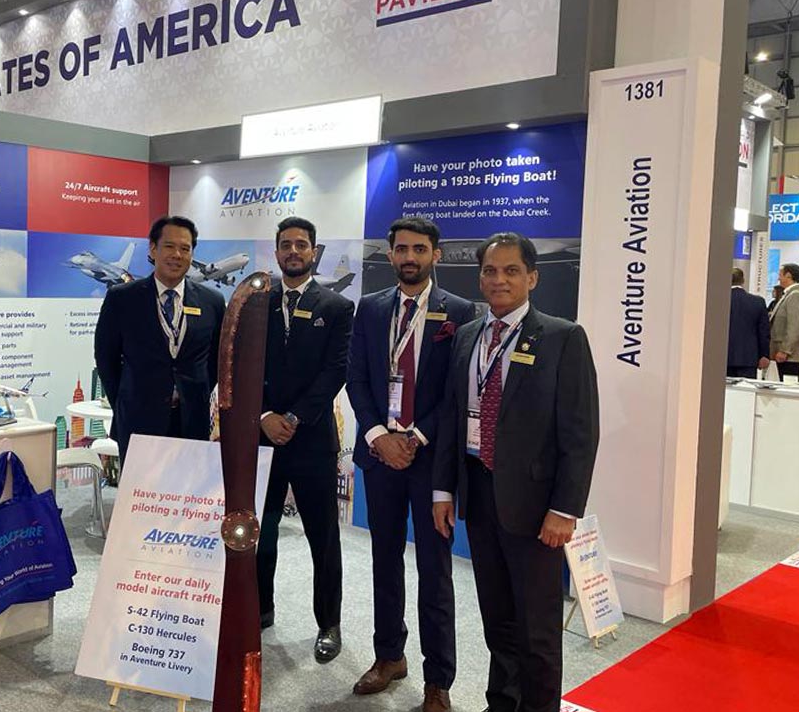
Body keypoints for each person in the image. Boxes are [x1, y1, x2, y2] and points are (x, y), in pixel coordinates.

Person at [432, 232, 599, 712]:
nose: (499, 279)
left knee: (538, 628)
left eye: (510, 271)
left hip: (535, 506)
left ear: (532, 277)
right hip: (480, 494)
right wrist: (444, 491)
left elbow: (580, 434)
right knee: (498, 618)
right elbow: (450, 417)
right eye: (490, 270)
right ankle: (502, 702)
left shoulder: (563, 337)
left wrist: (564, 509)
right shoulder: (467, 336)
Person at [346, 217, 475, 712]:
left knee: (435, 571)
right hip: (380, 459)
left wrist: (414, 438)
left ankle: (438, 680)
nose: (409, 257)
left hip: (429, 461)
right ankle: (389, 656)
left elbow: (455, 393)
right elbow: (357, 378)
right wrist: (380, 437)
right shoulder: (372, 309)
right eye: (401, 249)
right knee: (383, 561)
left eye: (419, 249)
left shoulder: (459, 313)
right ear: (390, 253)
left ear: (435, 255)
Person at [256, 217, 354, 663]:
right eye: (285, 245)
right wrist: (263, 417)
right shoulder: (257, 304)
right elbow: (242, 366)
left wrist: (292, 417)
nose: (293, 251)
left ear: (314, 251)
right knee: (261, 532)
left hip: (311, 438)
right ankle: (261, 609)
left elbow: (336, 370)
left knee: (323, 537)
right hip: (263, 438)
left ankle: (328, 623)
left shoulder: (335, 306)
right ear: (276, 253)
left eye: (301, 244)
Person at [94, 216, 225, 461]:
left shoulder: (212, 302)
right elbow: (106, 357)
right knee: (141, 496)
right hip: (138, 419)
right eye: (169, 246)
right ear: (153, 249)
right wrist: (125, 400)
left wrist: (195, 391)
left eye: (185, 248)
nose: (177, 254)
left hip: (191, 422)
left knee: (188, 494)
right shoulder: (122, 298)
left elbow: (215, 359)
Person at [769, 263, 799, 379]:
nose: (778, 278)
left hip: (791, 356)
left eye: (780, 275)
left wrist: (785, 350)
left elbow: (795, 326)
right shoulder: (789, 294)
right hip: (786, 355)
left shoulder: (796, 295)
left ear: (788, 275)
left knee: (788, 386)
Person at [727, 269, 769, 380]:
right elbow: (763, 332)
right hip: (748, 358)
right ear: (743, 280)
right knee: (746, 394)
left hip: (722, 357)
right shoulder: (758, 302)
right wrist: (764, 355)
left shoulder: (718, 301)